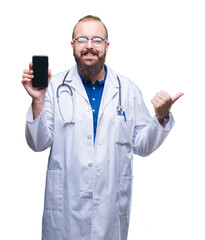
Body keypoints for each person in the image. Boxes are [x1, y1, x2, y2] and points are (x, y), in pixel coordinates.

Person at [22, 15, 183, 240]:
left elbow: (142, 145)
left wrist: (162, 116)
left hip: (109, 213)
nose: (89, 46)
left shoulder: (127, 90)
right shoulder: (55, 87)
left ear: (107, 46)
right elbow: (37, 143)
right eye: (82, 39)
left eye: (97, 40)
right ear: (73, 45)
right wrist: (38, 99)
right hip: (64, 214)